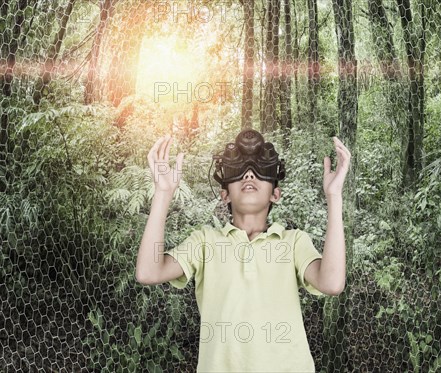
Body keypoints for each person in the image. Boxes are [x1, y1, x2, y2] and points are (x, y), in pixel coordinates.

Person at [135, 129, 351, 372]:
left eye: (260, 170)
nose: (249, 174)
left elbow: (332, 283)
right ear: (224, 194)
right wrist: (163, 193)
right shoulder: (205, 242)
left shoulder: (293, 242)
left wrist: (334, 197)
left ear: (276, 194)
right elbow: (148, 272)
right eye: (240, 172)